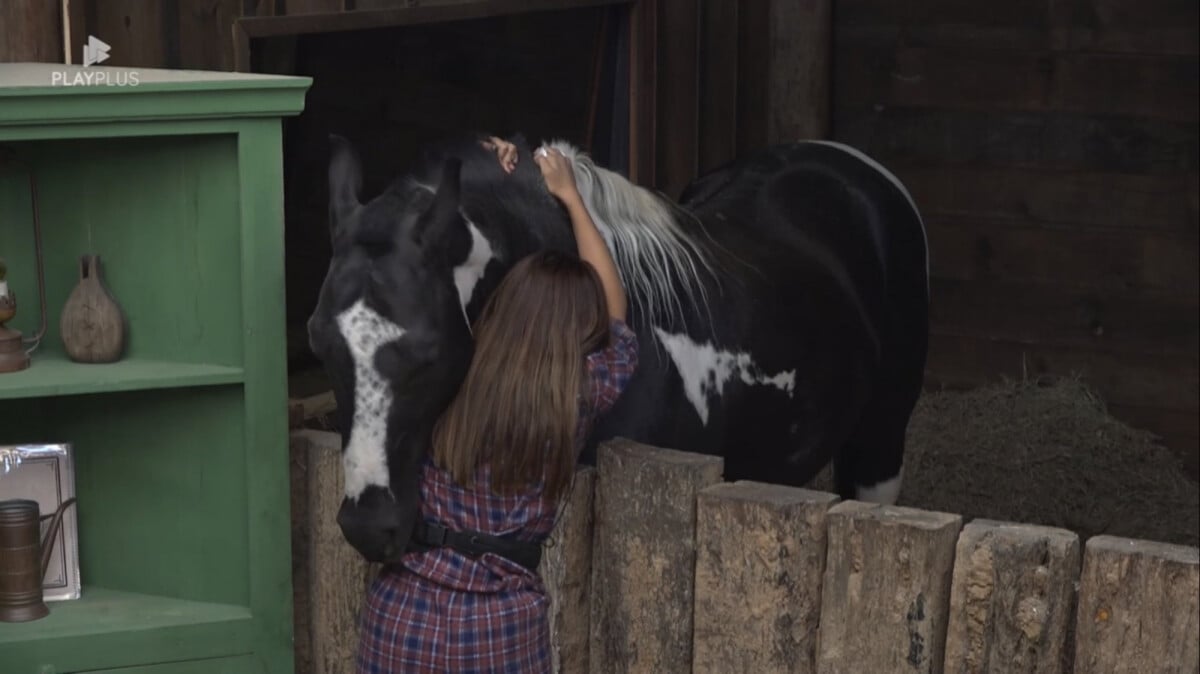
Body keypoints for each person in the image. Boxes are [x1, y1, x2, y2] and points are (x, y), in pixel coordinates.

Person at [355, 137, 639, 673]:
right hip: (498, 631)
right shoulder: (579, 393)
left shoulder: (444, 366)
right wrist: (572, 199)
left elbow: (425, 264)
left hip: (400, 620)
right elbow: (617, 317)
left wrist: (486, 171)